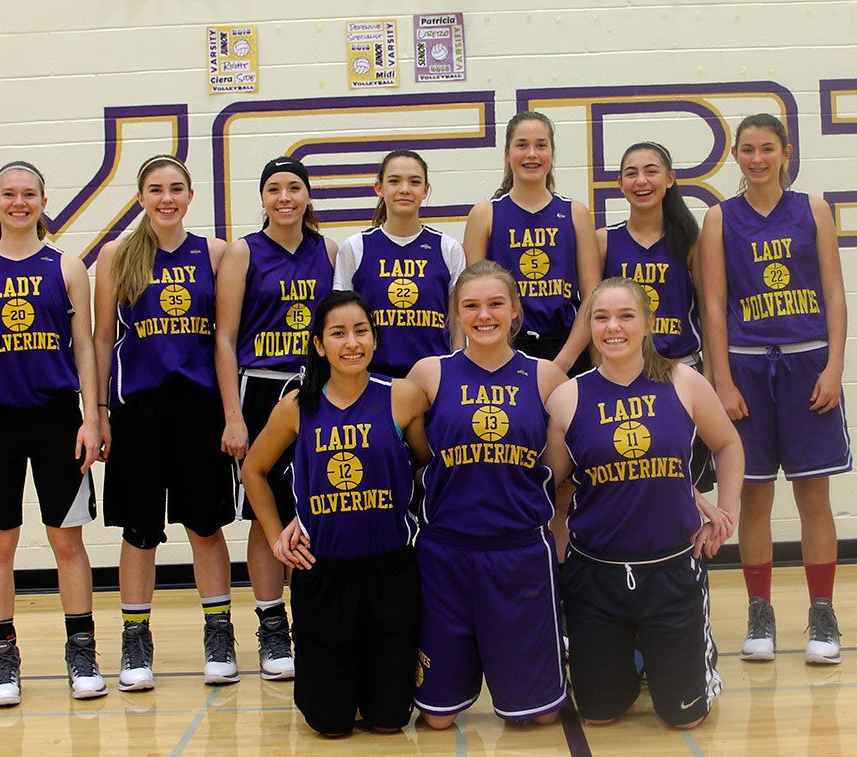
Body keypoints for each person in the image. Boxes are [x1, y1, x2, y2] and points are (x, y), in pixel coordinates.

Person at [544, 277, 742, 727]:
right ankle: (633, 657)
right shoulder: (567, 399)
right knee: (600, 713)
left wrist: (726, 512)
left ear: (647, 324)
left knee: (685, 718)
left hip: (672, 568)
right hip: (596, 575)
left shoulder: (684, 381)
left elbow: (729, 445)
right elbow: (559, 486)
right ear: (589, 327)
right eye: (601, 318)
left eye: (625, 316)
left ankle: (672, 656)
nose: (613, 327)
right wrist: (559, 553)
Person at [0, 161, 103, 706]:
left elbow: (84, 345)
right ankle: (3, 661)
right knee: (0, 545)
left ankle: (81, 651)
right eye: (9, 194)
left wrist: (92, 416)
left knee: (67, 540)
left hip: (58, 416)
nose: (19, 202)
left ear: (43, 200)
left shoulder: (66, 266)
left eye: (29, 194)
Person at [699, 113, 849, 664]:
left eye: (767, 148)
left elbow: (834, 293)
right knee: (753, 498)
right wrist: (721, 379)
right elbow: (713, 304)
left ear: (785, 152)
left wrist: (834, 366)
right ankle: (759, 612)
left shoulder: (813, 208)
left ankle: (822, 614)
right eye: (747, 150)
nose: (757, 158)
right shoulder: (719, 218)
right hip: (746, 367)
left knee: (814, 495)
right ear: (735, 156)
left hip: (806, 362)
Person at [243, 291, 427, 736]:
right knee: (330, 724)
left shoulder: (403, 397)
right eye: (338, 333)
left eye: (361, 331)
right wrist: (275, 537)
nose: (352, 343)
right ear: (320, 345)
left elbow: (427, 467)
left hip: (391, 573)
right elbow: (253, 470)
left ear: (375, 339)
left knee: (388, 721)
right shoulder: (297, 406)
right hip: (324, 575)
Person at [92, 155, 238, 687]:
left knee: (205, 524)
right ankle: (135, 640)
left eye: (176, 188)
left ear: (191, 195)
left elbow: (226, 341)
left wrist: (231, 414)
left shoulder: (215, 253)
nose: (167, 198)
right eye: (156, 189)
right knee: (140, 529)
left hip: (199, 406)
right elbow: (101, 339)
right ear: (141, 198)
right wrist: (100, 412)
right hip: (139, 408)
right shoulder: (117, 255)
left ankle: (219, 631)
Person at [405, 261, 568, 728]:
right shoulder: (429, 374)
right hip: (447, 551)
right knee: (436, 720)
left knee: (540, 717)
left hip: (519, 551)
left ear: (516, 310)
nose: (484, 315)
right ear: (455, 313)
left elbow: (559, 472)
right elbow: (410, 455)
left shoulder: (546, 377)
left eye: (496, 303)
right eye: (470, 305)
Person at [215, 156, 337, 680]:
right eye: (273, 189)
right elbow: (222, 338)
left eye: (294, 188)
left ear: (307, 195)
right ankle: (270, 625)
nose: (284, 197)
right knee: (265, 513)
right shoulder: (244, 252)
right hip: (260, 388)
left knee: (323, 502)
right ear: (262, 197)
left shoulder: (329, 250)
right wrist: (233, 414)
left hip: (316, 388)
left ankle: (320, 618)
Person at [596, 141, 713, 492]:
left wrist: (714, 377)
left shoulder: (692, 240)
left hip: (681, 371)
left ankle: (689, 549)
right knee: (628, 483)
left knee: (684, 488)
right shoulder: (603, 241)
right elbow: (593, 316)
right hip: (623, 376)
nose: (641, 180)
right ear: (620, 183)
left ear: (671, 179)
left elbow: (710, 311)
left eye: (651, 171)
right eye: (631, 173)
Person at [463, 111, 598, 374]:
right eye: (522, 145)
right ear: (507, 153)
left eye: (541, 145)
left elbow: (592, 296)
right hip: (506, 349)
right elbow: (473, 296)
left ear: (552, 152)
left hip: (566, 346)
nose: (532, 154)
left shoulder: (576, 213)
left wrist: (564, 362)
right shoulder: (485, 214)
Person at [333, 150, 465, 377]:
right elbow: (340, 319)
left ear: (425, 191)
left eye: (414, 182)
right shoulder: (356, 247)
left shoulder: (448, 248)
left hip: (434, 379)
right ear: (379, 188)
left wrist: (458, 371)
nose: (404, 189)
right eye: (394, 181)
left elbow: (458, 322)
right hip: (373, 377)